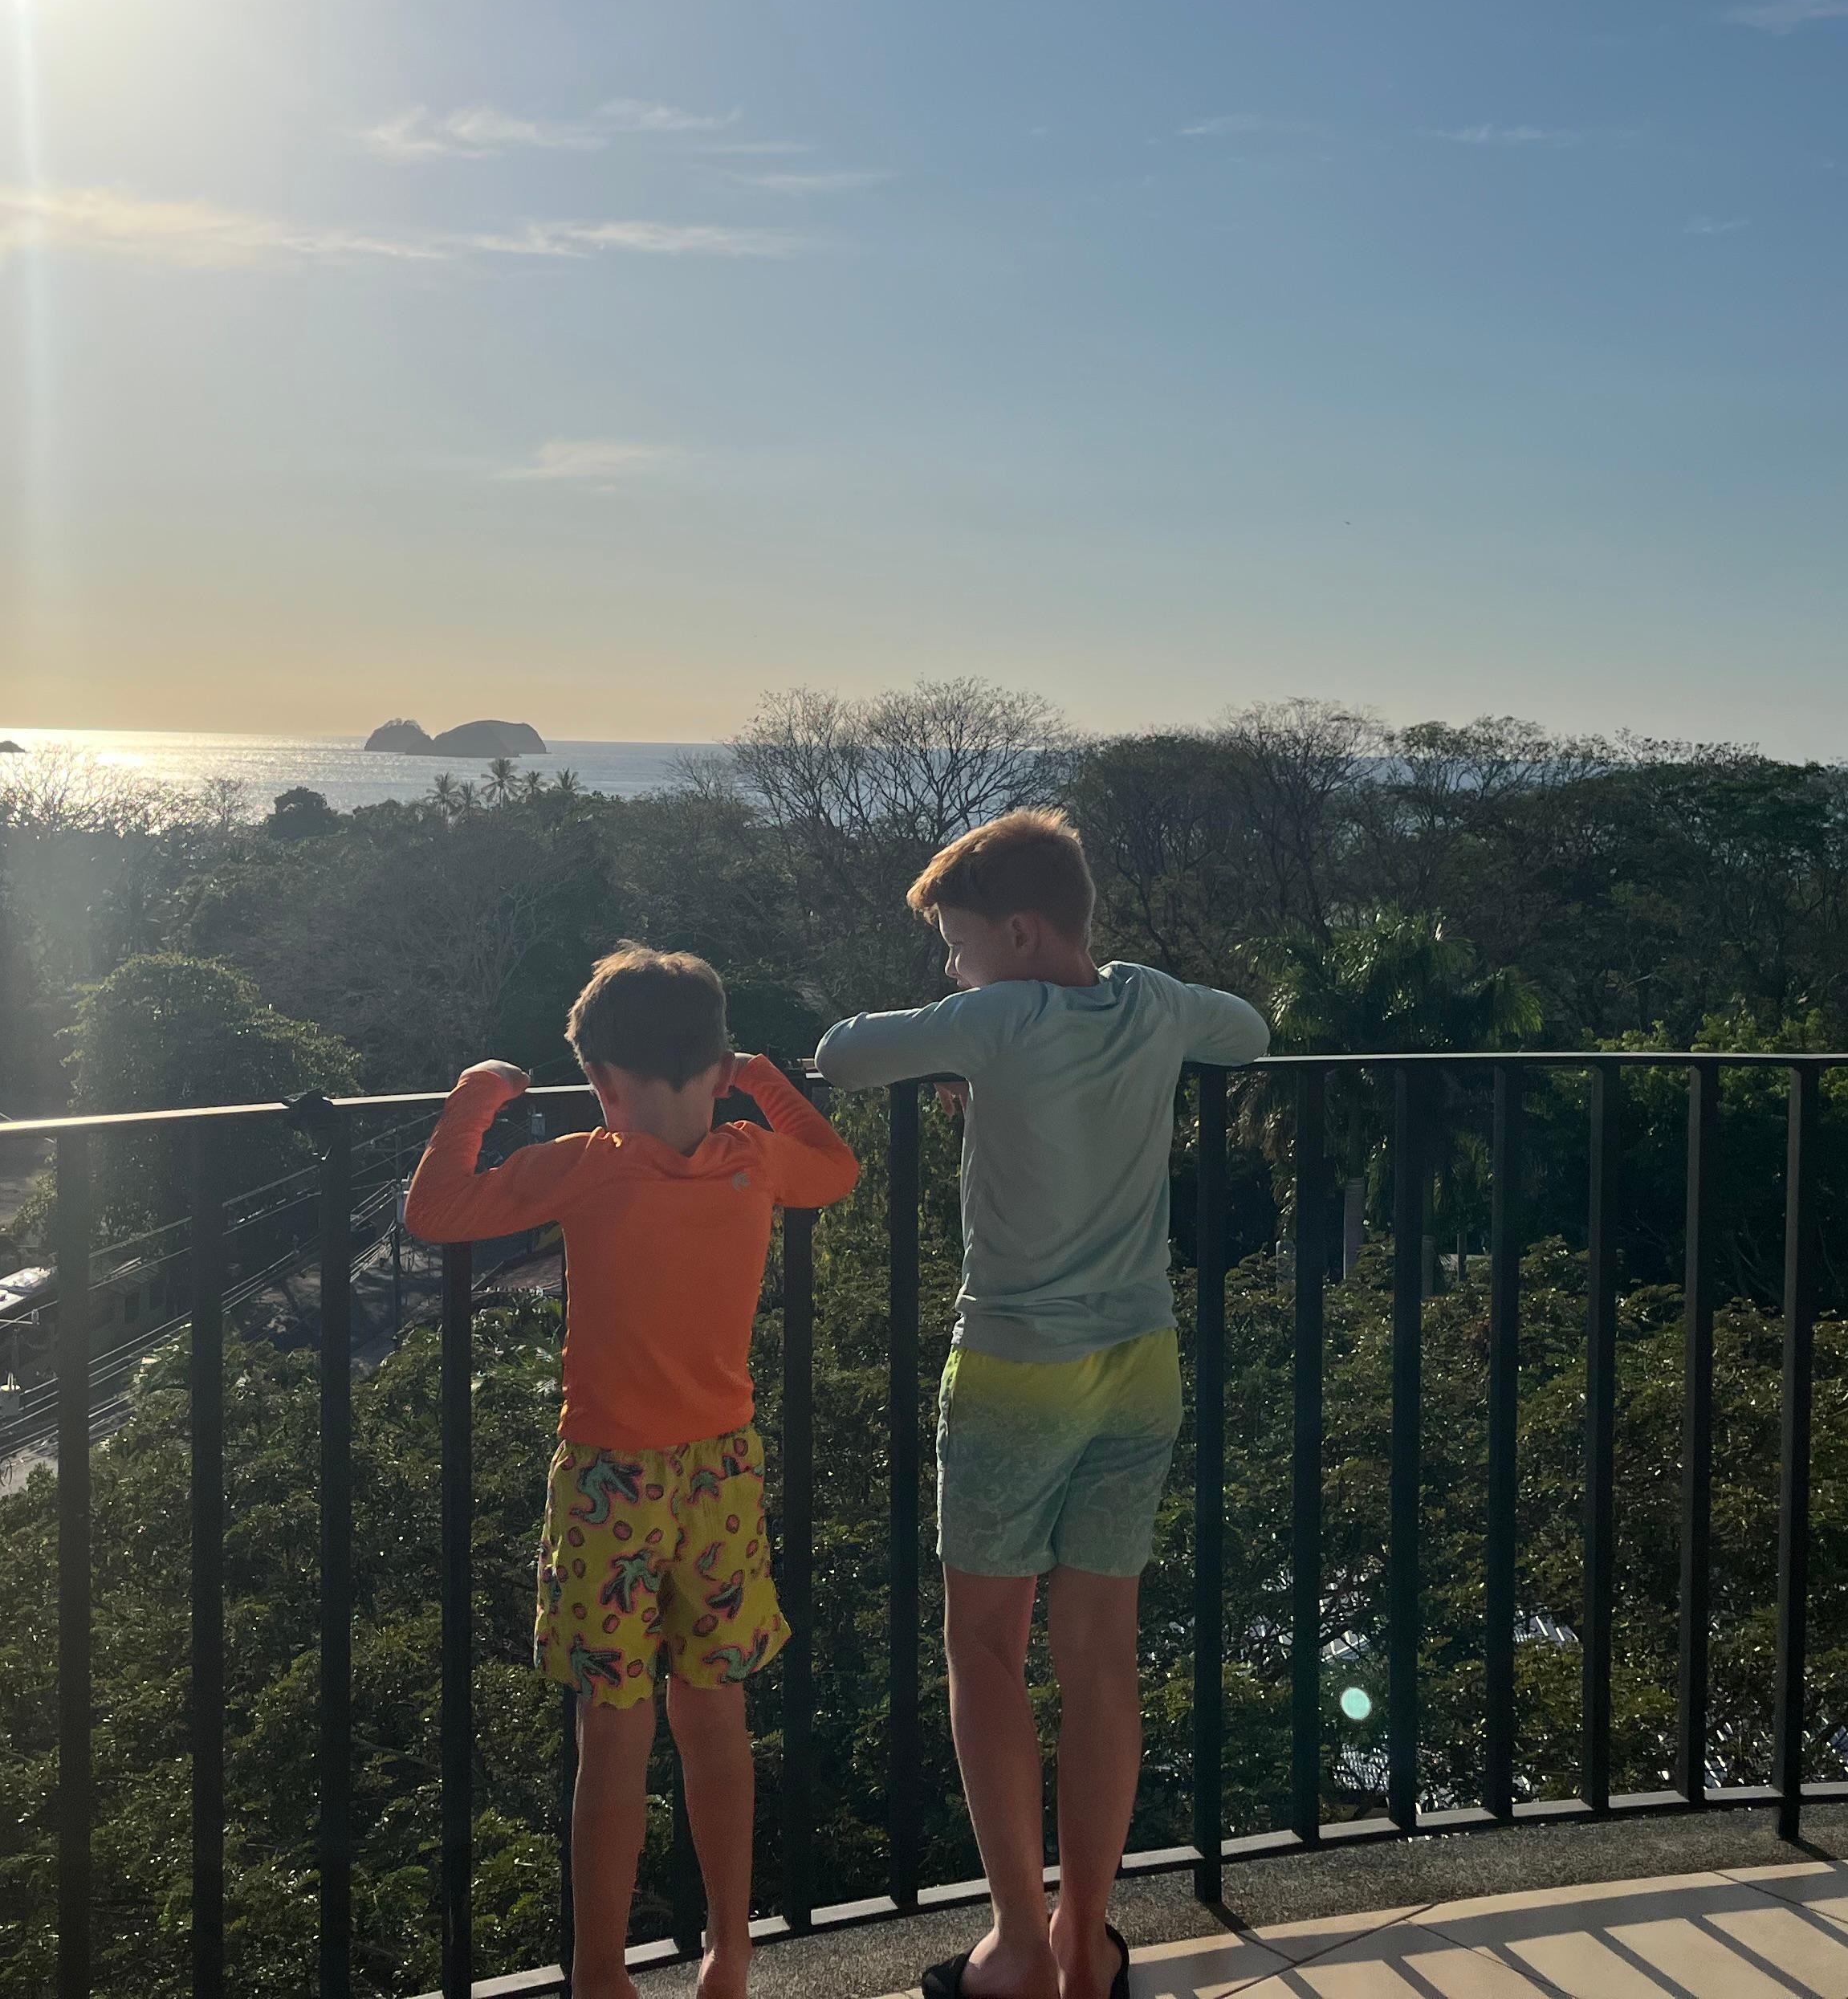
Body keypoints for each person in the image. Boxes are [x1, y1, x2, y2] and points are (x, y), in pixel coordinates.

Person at [815, 812, 1268, 1999]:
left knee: (986, 1648)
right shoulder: (1153, 1002)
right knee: (1102, 1655)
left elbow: (842, 1053)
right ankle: (1088, 1940)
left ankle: (1016, 1947)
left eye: (959, 948)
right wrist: (1133, 1009)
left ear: (1016, 934)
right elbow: (1254, 1033)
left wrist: (972, 1041)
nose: (954, 973)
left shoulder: (1000, 1015)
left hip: (1018, 1372)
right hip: (1141, 1363)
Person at [406, 943, 860, 1999]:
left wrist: (474, 1100)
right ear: (717, 1062)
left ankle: (600, 1973)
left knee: (612, 1735)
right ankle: (730, 1954)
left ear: (603, 1085)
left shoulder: (589, 1161)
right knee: (718, 1720)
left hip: (612, 1481)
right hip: (724, 1474)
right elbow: (836, 1168)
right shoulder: (754, 1157)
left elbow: (437, 1213)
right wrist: (766, 1084)